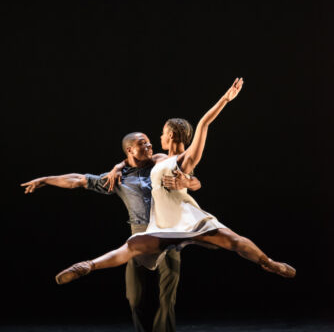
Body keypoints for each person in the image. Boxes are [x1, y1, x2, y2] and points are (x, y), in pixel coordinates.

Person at [55, 79, 296, 298]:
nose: (157, 137)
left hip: (183, 216)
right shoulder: (159, 158)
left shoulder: (186, 159)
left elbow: (203, 124)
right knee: (132, 246)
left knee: (231, 241)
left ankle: (270, 262)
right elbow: (132, 160)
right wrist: (117, 167)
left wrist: (225, 99)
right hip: (162, 222)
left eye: (161, 133)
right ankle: (86, 266)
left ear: (170, 134)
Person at [21, 133, 202, 332]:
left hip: (168, 233)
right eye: (142, 144)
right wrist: (46, 179)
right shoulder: (118, 178)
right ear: (129, 150)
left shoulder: (160, 163)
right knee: (135, 298)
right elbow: (78, 180)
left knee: (166, 299)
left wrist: (188, 182)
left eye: (149, 142)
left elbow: (191, 173)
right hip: (139, 237)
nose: (149, 146)